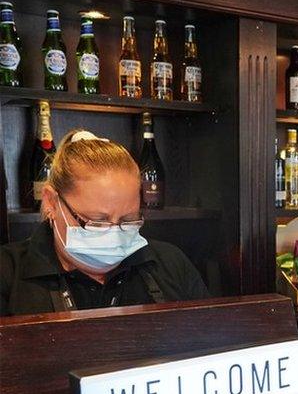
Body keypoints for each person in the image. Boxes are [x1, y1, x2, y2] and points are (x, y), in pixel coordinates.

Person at [1, 130, 209, 316]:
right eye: (97, 222)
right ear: (51, 202)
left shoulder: (170, 264)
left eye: (128, 221)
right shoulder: (7, 275)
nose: (115, 235)